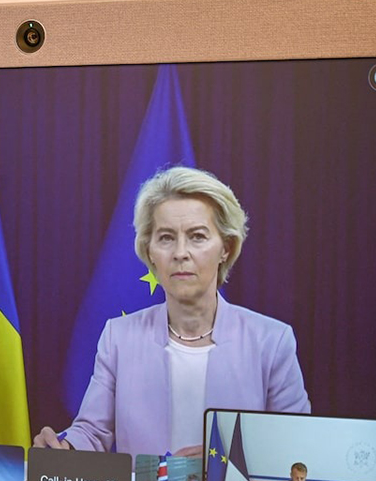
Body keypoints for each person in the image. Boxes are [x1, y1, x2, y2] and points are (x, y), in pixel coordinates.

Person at [34, 166, 310, 457]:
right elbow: (92, 432)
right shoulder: (119, 337)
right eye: (166, 238)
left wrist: (225, 463)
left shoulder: (271, 341)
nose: (180, 253)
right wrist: (65, 447)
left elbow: (295, 447)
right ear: (150, 250)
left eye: (197, 236)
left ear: (225, 248)